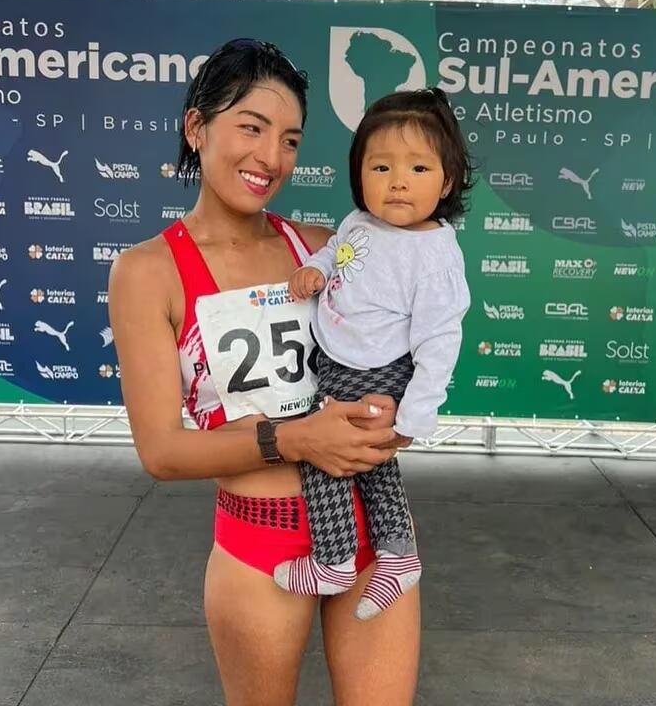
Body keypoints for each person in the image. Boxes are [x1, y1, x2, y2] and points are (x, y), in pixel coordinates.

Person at [109, 39, 420, 706]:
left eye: (289, 139)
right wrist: (294, 438)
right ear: (197, 127)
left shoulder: (318, 246)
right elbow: (161, 451)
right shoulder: (148, 272)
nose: (270, 158)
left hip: (373, 534)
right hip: (260, 544)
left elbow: (402, 346)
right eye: (251, 128)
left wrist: (398, 411)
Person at [275, 88, 471, 621]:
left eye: (419, 167)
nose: (398, 180)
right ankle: (399, 553)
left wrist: (413, 416)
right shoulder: (361, 223)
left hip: (376, 371)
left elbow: (440, 340)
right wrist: (316, 268)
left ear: (447, 180)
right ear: (359, 173)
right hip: (337, 359)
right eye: (381, 166)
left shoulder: (433, 256)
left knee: (328, 454)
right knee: (373, 466)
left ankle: (334, 558)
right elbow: (338, 250)